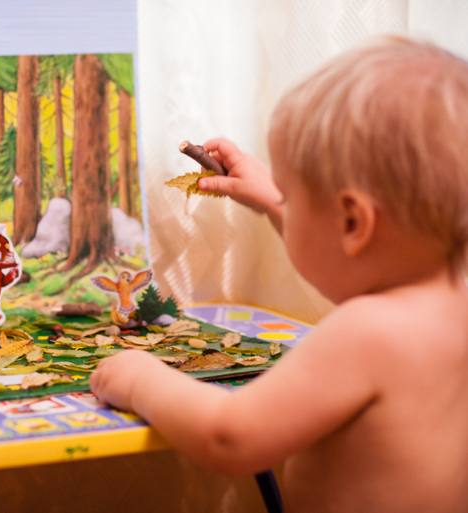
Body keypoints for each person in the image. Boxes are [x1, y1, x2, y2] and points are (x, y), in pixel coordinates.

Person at [90, 35, 468, 512]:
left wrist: (140, 381)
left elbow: (230, 436)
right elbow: (344, 255)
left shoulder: (369, 333)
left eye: (289, 195)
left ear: (354, 223)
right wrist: (272, 200)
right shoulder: (451, 305)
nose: (282, 203)